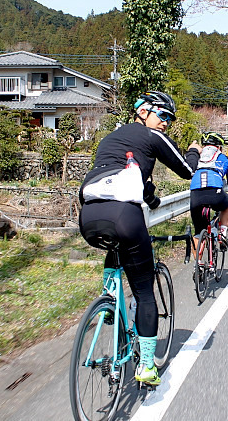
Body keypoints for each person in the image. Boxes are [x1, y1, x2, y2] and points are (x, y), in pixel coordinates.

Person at [78, 91, 200, 386]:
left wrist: (152, 198)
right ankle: (146, 366)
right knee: (145, 293)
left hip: (89, 216)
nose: (166, 123)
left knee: (114, 243)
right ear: (144, 112)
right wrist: (194, 150)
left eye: (170, 119)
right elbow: (187, 169)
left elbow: (125, 176)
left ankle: (110, 301)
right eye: (163, 115)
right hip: (124, 216)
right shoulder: (152, 136)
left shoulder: (111, 139)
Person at [189, 132, 228, 254]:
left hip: (196, 193)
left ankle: (197, 266)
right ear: (219, 147)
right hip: (215, 192)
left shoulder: (196, 157)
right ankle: (222, 234)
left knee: (198, 232)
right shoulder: (224, 158)